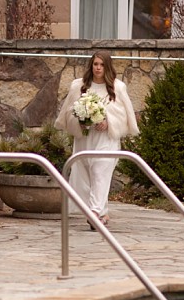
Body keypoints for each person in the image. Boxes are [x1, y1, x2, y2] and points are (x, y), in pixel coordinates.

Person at [54, 50, 138, 229]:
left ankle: (93, 213)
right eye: (95, 64)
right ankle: (103, 213)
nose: (98, 68)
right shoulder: (78, 86)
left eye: (101, 65)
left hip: (106, 139)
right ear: (91, 66)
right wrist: (80, 121)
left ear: (107, 67)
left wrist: (109, 122)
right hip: (85, 138)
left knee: (101, 173)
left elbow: (125, 116)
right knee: (88, 177)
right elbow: (68, 113)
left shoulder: (118, 87)